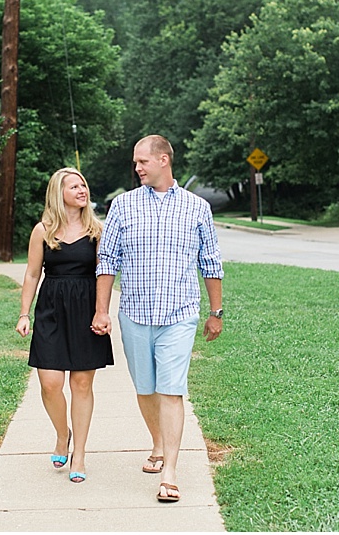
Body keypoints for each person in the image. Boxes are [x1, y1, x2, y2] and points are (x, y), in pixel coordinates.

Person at [91, 135, 224, 504]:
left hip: (179, 314)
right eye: (136, 163)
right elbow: (107, 262)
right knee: (145, 389)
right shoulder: (123, 206)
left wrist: (216, 312)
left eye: (142, 162)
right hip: (134, 314)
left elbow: (211, 263)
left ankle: (170, 473)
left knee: (171, 388)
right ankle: (159, 442)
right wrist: (102, 310)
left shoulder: (197, 208)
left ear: (163, 160)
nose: (137, 168)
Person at [17, 167, 113, 484]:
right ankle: (63, 434)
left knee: (82, 385)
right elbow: (32, 274)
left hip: (85, 309)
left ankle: (80, 454)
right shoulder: (42, 230)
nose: (81, 190)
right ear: (59, 193)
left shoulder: (97, 230)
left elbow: (104, 274)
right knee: (50, 383)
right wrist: (24, 313)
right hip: (52, 309)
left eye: (83, 184)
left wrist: (103, 312)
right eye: (74, 186)